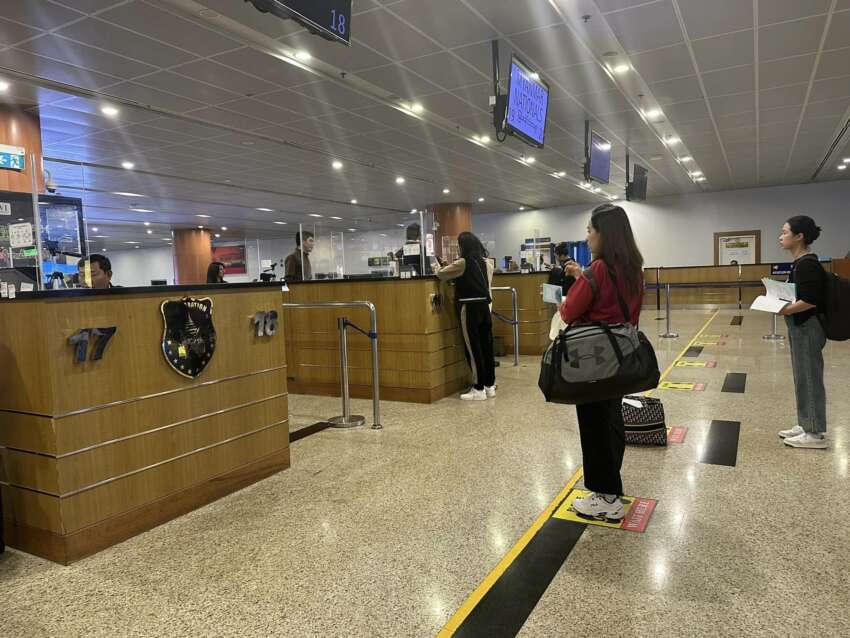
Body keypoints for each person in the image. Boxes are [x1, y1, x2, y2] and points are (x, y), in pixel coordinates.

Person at [559, 204, 644, 521]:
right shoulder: (633, 268)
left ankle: (606, 497)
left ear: (603, 234)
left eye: (589, 230)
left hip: (594, 359)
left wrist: (570, 294)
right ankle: (611, 487)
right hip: (621, 356)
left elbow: (569, 311)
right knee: (611, 420)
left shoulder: (597, 270)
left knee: (593, 425)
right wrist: (582, 277)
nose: (587, 237)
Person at [777, 215, 828, 449]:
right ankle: (806, 422)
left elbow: (810, 300)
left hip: (808, 327)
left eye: (785, 232)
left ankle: (814, 432)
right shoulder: (799, 263)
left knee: (809, 376)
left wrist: (784, 309)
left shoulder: (807, 264)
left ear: (799, 236)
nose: (781, 236)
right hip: (800, 326)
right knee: (802, 376)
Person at [434, 231, 496, 401]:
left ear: (463, 246)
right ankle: (489, 385)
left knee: (473, 347)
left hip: (469, 308)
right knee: (486, 347)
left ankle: (478, 388)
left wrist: (439, 267)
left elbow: (441, 274)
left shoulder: (462, 262)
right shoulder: (486, 263)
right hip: (484, 308)